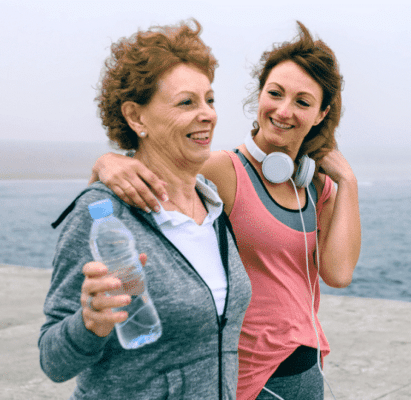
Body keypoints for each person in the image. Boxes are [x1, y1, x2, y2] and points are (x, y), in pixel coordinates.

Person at [91, 21, 361, 399]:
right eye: (275, 93)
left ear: (320, 113)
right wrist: (107, 162)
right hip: (245, 378)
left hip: (305, 372)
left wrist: (347, 181)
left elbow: (338, 272)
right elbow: (147, 174)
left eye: (302, 102)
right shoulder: (224, 170)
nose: (284, 111)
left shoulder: (317, 185)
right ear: (260, 95)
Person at [39, 20, 252, 399]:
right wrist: (89, 324)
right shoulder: (102, 212)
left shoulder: (213, 205)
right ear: (137, 117)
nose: (207, 114)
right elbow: (53, 360)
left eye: (210, 99)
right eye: (187, 102)